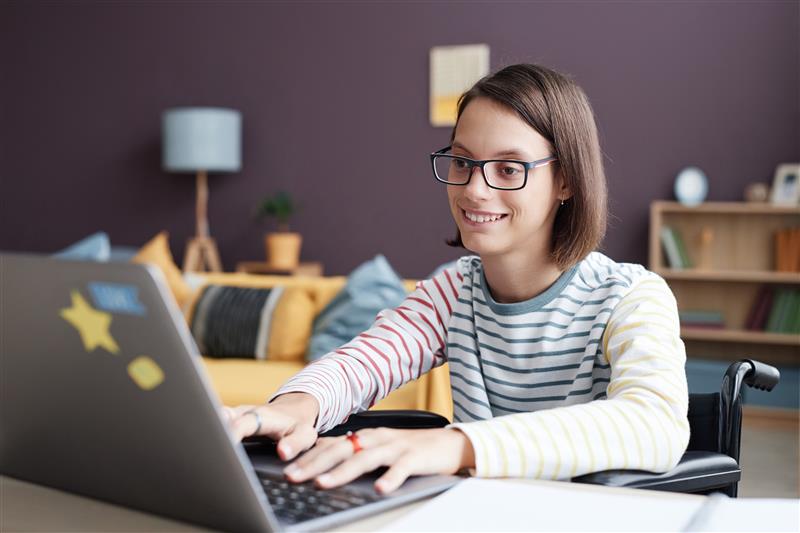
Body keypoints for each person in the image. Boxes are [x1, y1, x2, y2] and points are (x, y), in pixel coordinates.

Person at [224, 63, 690, 495]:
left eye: (509, 168)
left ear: (565, 181)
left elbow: (655, 424)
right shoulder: (453, 292)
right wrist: (296, 407)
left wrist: (455, 446)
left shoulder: (630, 296)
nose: (474, 190)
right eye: (463, 162)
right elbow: (361, 363)